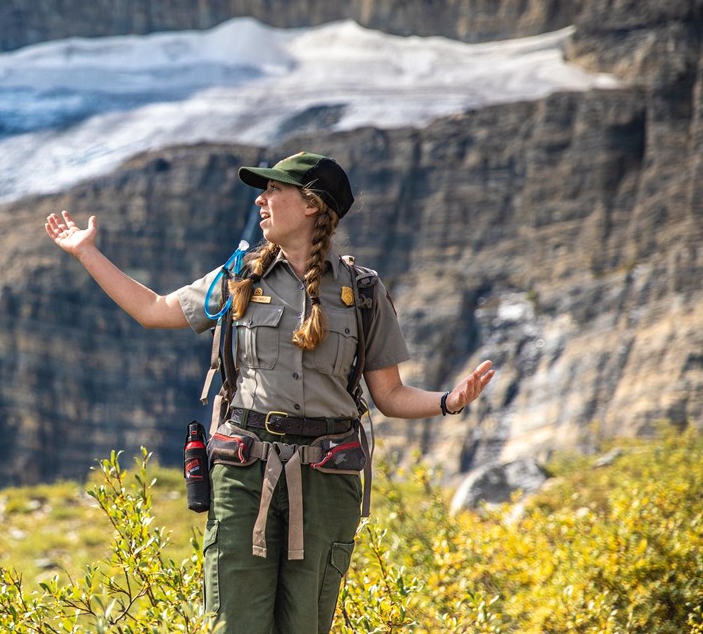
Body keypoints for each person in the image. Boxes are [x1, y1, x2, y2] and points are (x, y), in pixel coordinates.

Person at [44, 151, 493, 634]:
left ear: (312, 205)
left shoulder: (363, 292)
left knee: (306, 625)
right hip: (245, 472)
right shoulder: (240, 274)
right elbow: (154, 309)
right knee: (234, 624)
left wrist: (448, 401)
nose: (261, 200)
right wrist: (86, 251)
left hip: (327, 480)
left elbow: (390, 396)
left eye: (275, 190)